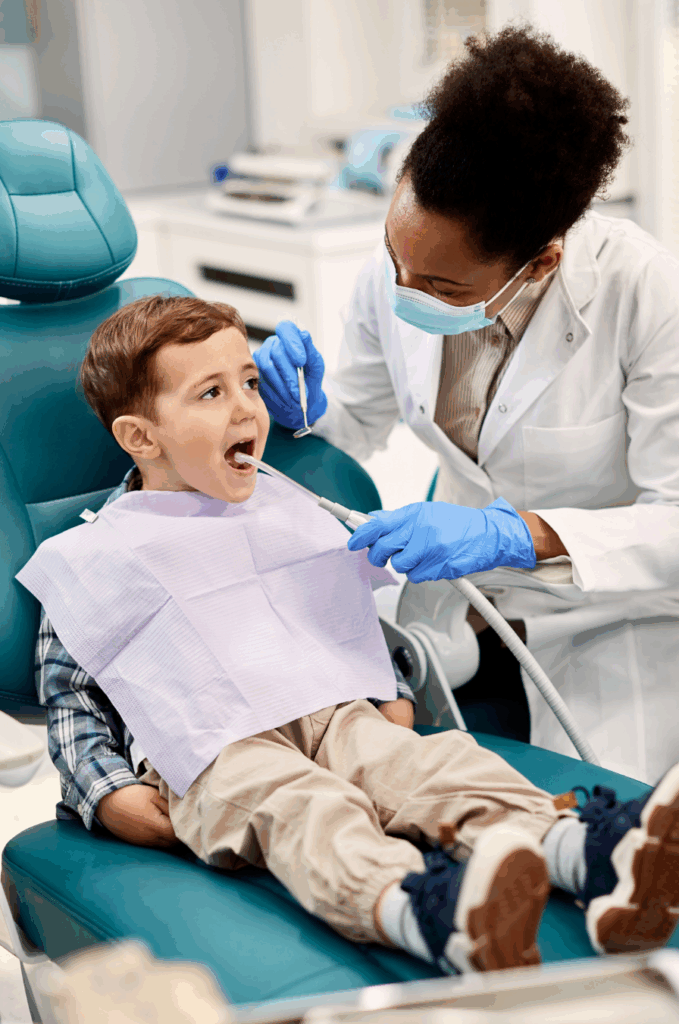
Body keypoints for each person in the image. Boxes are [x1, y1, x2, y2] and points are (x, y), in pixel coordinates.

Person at [19, 296, 679, 974]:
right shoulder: (95, 556)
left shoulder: (287, 506)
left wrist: (386, 688)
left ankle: (585, 854)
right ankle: (421, 909)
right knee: (305, 805)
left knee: (434, 764)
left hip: (332, 712)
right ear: (140, 437)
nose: (247, 408)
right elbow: (71, 695)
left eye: (249, 381)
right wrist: (108, 794)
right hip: (209, 746)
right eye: (211, 393)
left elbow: (337, 614)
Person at [253, 25, 679, 786]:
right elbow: (352, 423)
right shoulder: (404, 267)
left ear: (541, 259)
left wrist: (516, 535)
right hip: (455, 605)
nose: (404, 291)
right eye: (395, 256)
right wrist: (297, 412)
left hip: (613, 620)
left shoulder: (646, 295)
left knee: (605, 824)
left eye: (445, 288)